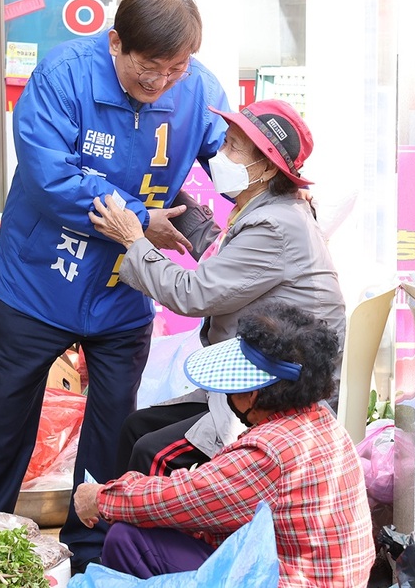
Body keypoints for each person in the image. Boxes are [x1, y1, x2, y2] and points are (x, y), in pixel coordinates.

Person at [0, 0, 230, 574]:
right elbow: (51, 178)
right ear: (115, 44)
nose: (162, 83)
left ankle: (90, 556)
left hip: (123, 294)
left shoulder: (198, 87)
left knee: (111, 428)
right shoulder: (63, 77)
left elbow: (227, 158)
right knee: (4, 417)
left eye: (175, 69)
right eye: (149, 69)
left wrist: (273, 195)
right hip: (37, 284)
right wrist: (139, 218)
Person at [88, 99, 346, 477]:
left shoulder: (275, 225)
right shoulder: (269, 208)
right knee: (136, 426)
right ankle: (120, 535)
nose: (220, 156)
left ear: (265, 167)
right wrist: (164, 195)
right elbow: (218, 247)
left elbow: (190, 294)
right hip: (252, 379)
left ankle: (142, 533)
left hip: (275, 393)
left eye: (232, 148)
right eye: (223, 143)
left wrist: (133, 240)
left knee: (150, 451)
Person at [73, 302, 376, 587]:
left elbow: (182, 497)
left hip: (291, 578)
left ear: (254, 394)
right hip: (320, 573)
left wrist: (100, 498)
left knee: (125, 539)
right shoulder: (321, 420)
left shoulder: (268, 451)